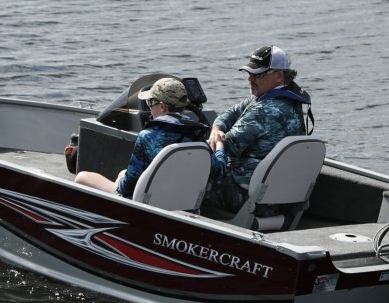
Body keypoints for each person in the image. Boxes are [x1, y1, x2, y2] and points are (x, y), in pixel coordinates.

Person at [204, 45, 314, 218]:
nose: (250, 79)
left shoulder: (264, 111)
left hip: (248, 197)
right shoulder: (289, 101)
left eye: (258, 74)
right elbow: (230, 113)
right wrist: (216, 129)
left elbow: (227, 147)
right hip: (283, 200)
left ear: (278, 76)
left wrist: (212, 141)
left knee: (193, 175)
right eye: (249, 73)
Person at [75, 77, 210, 198]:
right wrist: (220, 145)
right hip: (178, 197)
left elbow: (127, 188)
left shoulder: (148, 136)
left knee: (82, 177)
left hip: (146, 201)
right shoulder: (197, 134)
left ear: (162, 106)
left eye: (150, 102)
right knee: (123, 172)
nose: (149, 107)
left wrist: (118, 184)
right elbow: (217, 169)